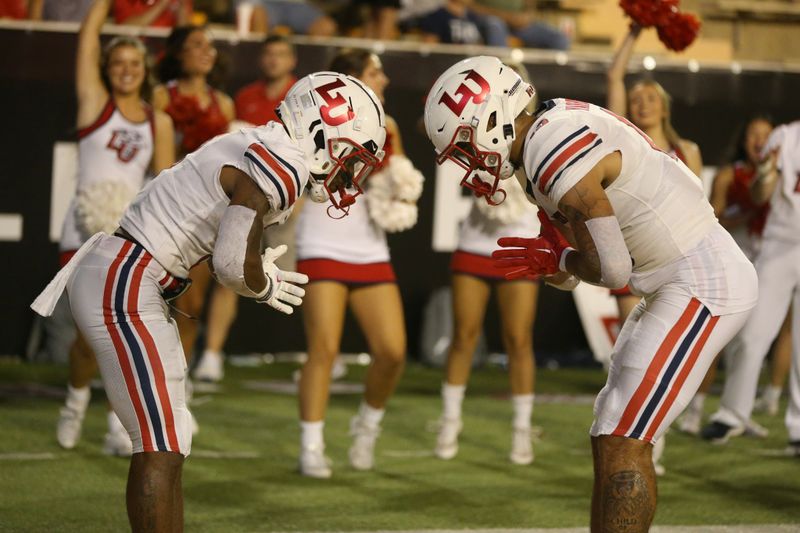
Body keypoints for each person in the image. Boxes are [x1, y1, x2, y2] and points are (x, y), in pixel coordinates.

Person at [32, 71, 387, 531]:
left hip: (127, 273)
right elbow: (232, 264)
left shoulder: (261, 143)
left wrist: (253, 266)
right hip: (126, 279)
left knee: (170, 438)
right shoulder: (282, 163)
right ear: (322, 132)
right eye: (350, 154)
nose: (350, 170)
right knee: (159, 443)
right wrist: (264, 285)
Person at [424, 56, 757, 532]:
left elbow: (613, 267)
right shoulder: (548, 131)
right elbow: (587, 262)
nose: (467, 161)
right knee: (609, 427)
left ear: (491, 120)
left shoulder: (550, 146)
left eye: (463, 143)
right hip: (672, 278)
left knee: (625, 437)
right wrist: (561, 264)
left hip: (700, 280)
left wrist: (561, 263)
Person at [295, 49, 423, 478]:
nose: (383, 78)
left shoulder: (388, 125)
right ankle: (311, 446)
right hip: (321, 239)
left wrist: (399, 188)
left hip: (369, 245)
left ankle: (366, 426)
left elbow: (399, 184)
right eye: (373, 72)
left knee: (392, 351)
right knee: (324, 349)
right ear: (348, 77)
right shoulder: (314, 114)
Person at [55, 0, 174, 456]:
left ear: (145, 70)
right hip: (83, 232)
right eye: (117, 63)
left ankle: (116, 425)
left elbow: (163, 186)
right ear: (107, 69)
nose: (126, 70)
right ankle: (75, 401)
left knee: (123, 336)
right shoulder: (94, 102)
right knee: (89, 337)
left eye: (134, 63)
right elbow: (87, 38)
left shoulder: (157, 120)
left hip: (130, 240)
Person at [678, 116, 792, 435]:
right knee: (719, 335)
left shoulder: (787, 172)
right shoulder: (732, 174)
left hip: (772, 260)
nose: (760, 140)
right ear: (744, 140)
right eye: (754, 134)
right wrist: (745, 213)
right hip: (738, 257)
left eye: (765, 135)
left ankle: (755, 403)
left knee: (769, 334)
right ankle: (696, 410)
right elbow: (711, 218)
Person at [702, 120, 800, 452]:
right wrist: (767, 174)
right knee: (752, 332)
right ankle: (732, 414)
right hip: (780, 244)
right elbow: (760, 196)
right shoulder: (785, 136)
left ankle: (798, 429)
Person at [435, 179, 540, 465]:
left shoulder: (534, 136)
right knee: (463, 336)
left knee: (518, 339)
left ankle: (521, 427)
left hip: (521, 242)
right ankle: (450, 420)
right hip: (474, 241)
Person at [153, 25, 237, 382]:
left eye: (210, 46)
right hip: (166, 206)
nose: (206, 51)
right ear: (178, 53)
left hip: (206, 211)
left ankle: (177, 384)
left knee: (191, 304)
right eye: (196, 44)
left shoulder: (223, 103)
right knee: (153, 301)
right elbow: (158, 162)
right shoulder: (160, 97)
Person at [234, 35, 297, 128]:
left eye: (281, 55)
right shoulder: (245, 97)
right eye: (269, 54)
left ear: (293, 61)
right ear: (260, 59)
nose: (274, 60)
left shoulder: (303, 96)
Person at [239, 0, 336, 37]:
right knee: (257, 17)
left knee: (326, 27)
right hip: (263, 3)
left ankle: (310, 72)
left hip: (297, 4)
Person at [113, 0, 192, 27]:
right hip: (134, 53)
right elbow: (125, 29)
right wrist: (162, 4)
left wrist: (182, 6)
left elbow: (184, 34)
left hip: (168, 58)